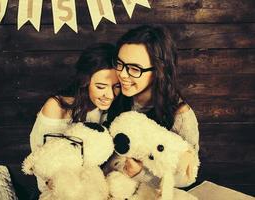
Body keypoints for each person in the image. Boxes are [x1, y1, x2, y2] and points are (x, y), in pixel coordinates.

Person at [105, 25, 199, 188]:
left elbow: (187, 177)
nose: (123, 74)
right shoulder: (113, 95)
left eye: (135, 69)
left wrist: (141, 174)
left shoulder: (180, 115)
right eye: (119, 63)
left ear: (159, 71)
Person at [29, 43, 121, 192]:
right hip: (57, 189)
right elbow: (44, 166)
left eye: (116, 86)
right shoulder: (57, 107)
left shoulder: (109, 107)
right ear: (85, 82)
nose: (110, 95)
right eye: (100, 87)